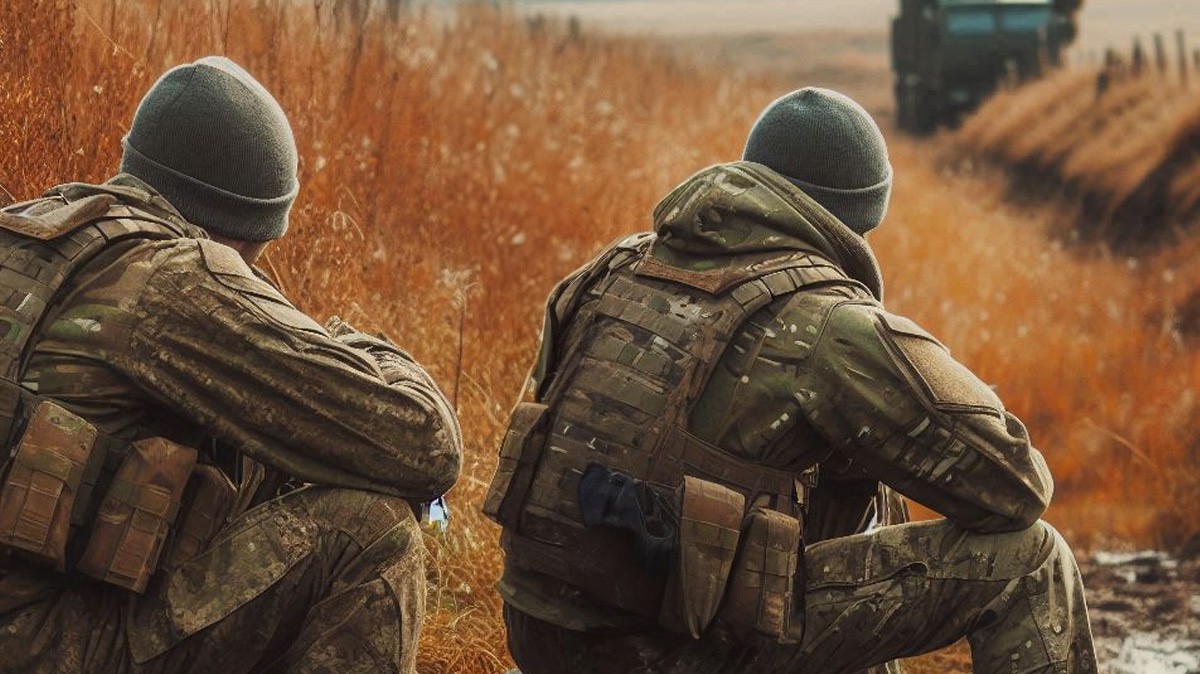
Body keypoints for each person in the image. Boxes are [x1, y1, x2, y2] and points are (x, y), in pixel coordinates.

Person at [485, 87, 1096, 673]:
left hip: (542, 639)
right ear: (857, 217)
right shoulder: (827, 321)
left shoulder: (610, 269)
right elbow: (1018, 487)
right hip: (667, 656)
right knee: (1031, 559)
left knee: (849, 477)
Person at [0, 56, 461, 673]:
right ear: (241, 230)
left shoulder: (32, 234)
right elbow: (426, 443)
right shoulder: (176, 280)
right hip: (45, 643)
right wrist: (359, 347)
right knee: (367, 530)